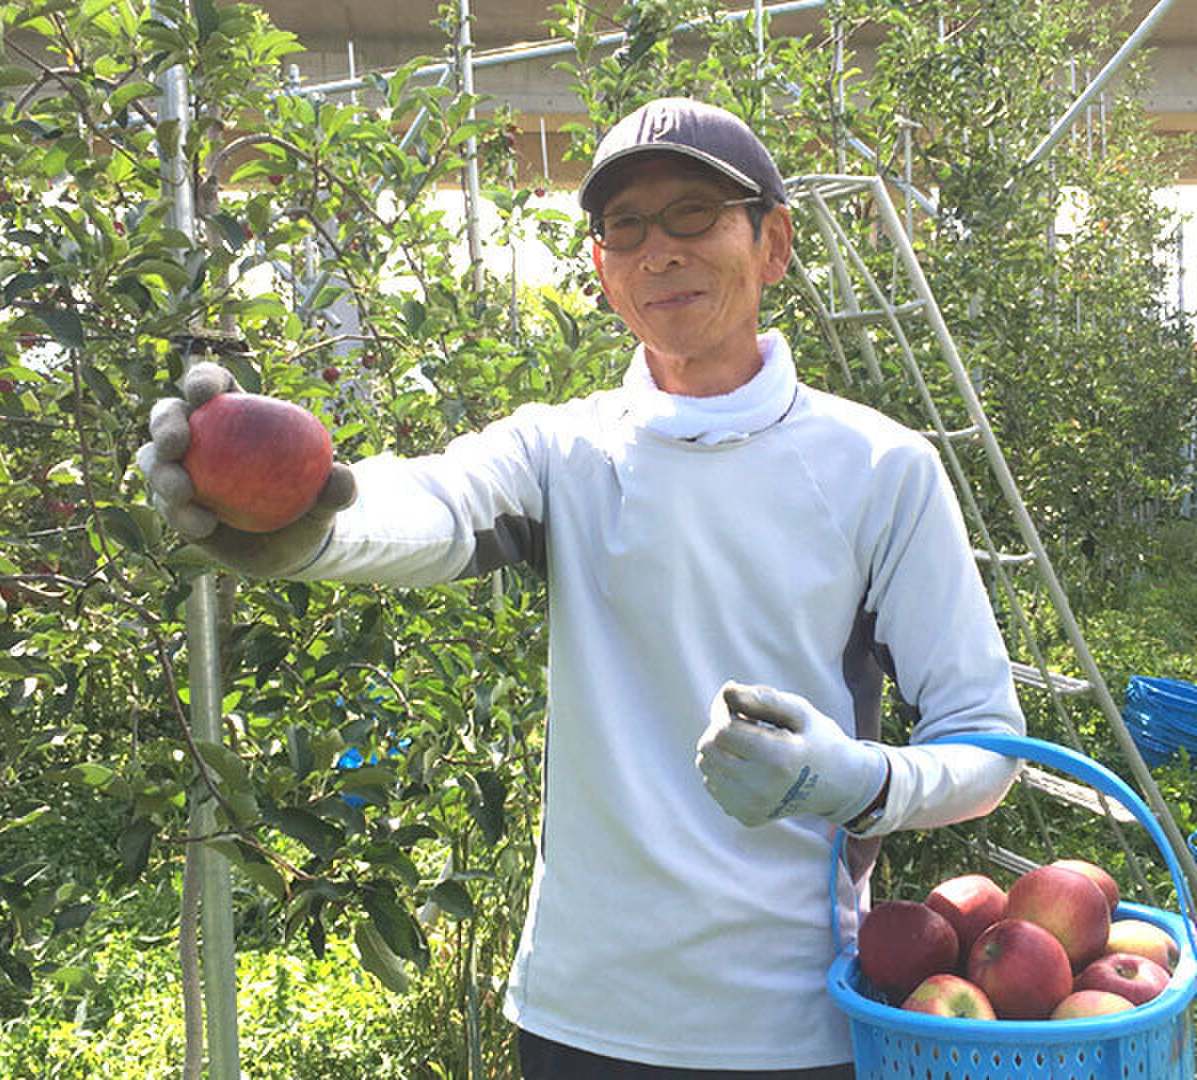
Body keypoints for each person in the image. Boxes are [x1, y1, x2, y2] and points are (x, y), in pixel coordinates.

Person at [139, 97, 1025, 1079]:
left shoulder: (880, 469)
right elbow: (433, 504)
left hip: (794, 1028)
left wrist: (860, 783)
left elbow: (986, 744)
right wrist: (302, 522)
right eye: (626, 227)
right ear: (602, 270)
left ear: (773, 243)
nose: (659, 250)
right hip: (581, 1020)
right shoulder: (565, 453)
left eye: (693, 213)